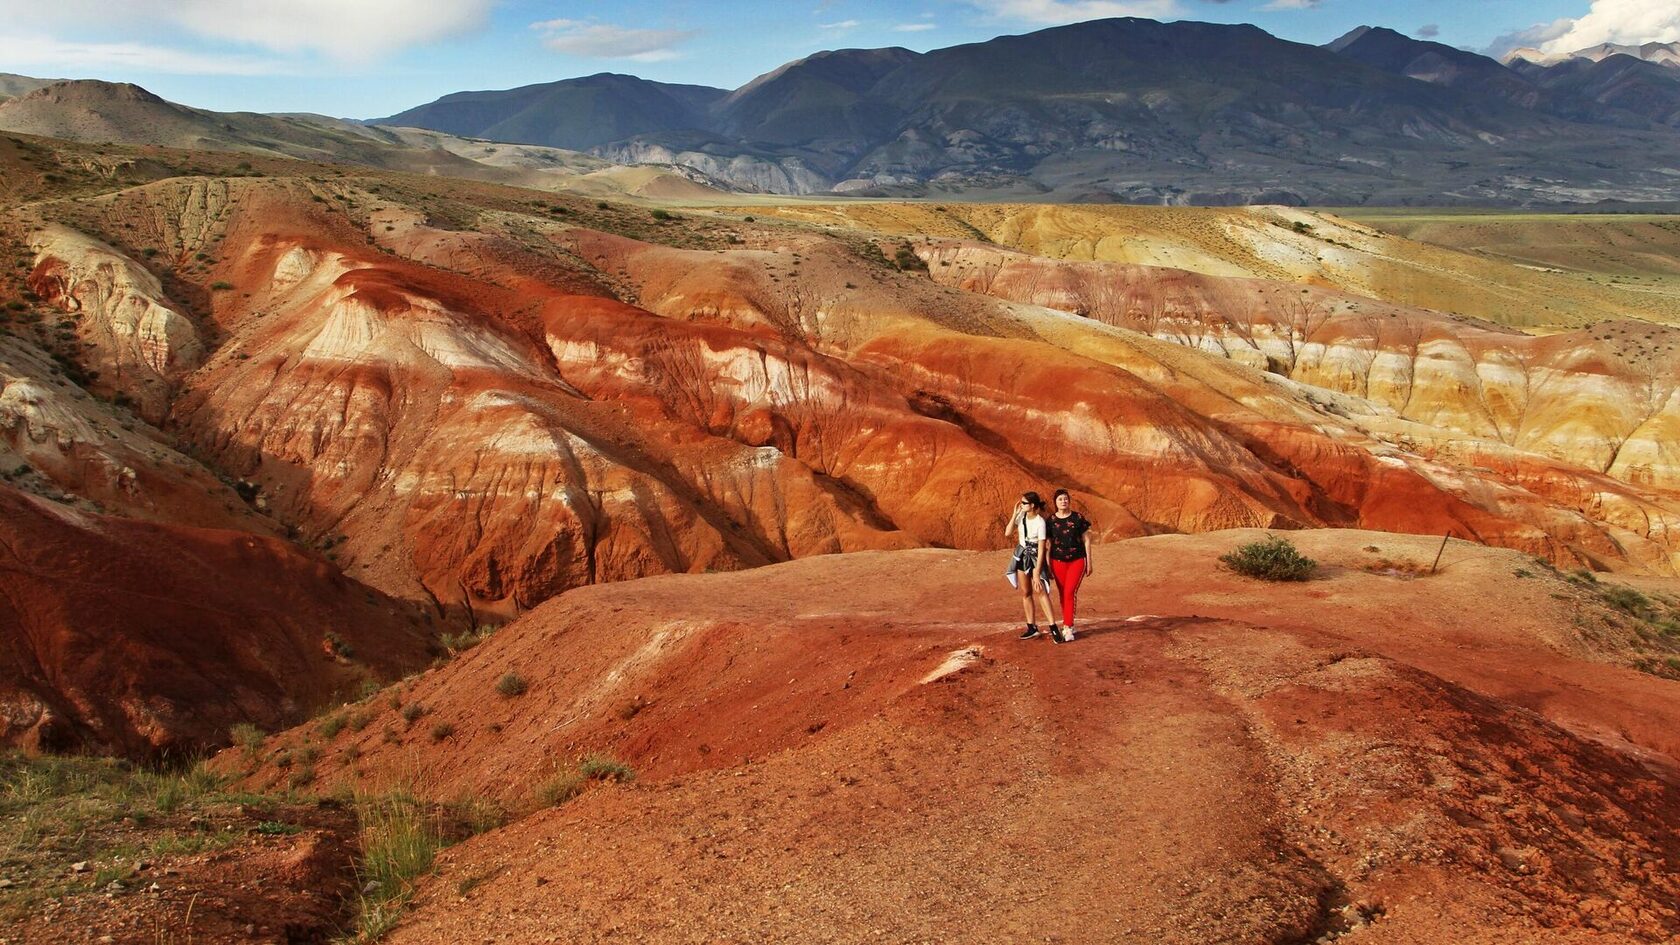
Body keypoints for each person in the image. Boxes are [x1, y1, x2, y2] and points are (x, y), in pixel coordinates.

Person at [1006, 491, 1063, 642]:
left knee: (1041, 591)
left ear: (1032, 506)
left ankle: (1053, 627)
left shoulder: (1040, 522)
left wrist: (1037, 572)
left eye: (1024, 503)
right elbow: (1007, 533)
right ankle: (1031, 627)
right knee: (1026, 592)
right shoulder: (1021, 517)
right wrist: (1014, 514)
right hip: (1022, 555)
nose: (1021, 505)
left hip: (1036, 557)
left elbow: (1042, 546)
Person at [1046, 488, 1093, 642]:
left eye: (1065, 499)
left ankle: (1067, 627)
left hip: (1077, 560)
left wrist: (1089, 561)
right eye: (1060, 499)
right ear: (1055, 502)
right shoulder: (1051, 521)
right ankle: (1069, 624)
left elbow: (1086, 540)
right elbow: (1048, 543)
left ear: (1069, 501)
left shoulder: (1078, 518)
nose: (1063, 501)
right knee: (1062, 594)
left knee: (1069, 592)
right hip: (1057, 561)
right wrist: (1047, 565)